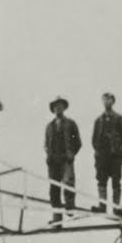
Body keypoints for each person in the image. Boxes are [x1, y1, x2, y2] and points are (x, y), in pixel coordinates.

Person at [91, 92, 122, 214]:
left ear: (113, 101)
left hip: (115, 156)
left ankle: (115, 207)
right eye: (104, 100)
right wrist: (98, 151)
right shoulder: (99, 120)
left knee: (116, 181)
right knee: (101, 180)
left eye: (109, 100)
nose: (106, 102)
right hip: (102, 156)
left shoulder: (119, 119)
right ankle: (102, 206)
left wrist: (120, 149)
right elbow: (94, 139)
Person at [44, 96, 81, 227]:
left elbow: (78, 142)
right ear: (53, 109)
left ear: (64, 108)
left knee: (68, 184)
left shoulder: (70, 123)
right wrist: (48, 156)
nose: (57, 108)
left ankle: (70, 207)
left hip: (66, 160)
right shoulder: (49, 126)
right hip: (54, 162)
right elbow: (46, 144)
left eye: (60, 106)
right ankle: (57, 218)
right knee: (54, 189)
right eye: (55, 106)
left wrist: (71, 154)